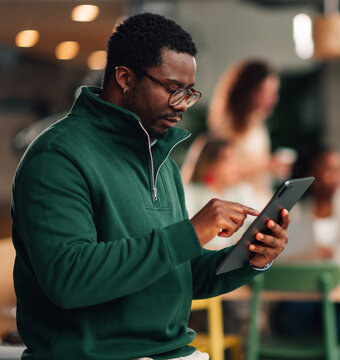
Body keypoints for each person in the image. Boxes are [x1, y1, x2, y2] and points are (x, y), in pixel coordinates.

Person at [10, 13, 290, 360]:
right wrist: (190, 233)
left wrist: (251, 257)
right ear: (125, 78)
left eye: (189, 92)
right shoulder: (57, 157)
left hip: (171, 352)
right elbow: (70, 279)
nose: (182, 107)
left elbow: (177, 275)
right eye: (173, 89)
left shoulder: (163, 164)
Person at [271, 143, 340, 342]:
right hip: (301, 288)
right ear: (311, 174)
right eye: (329, 170)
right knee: (288, 315)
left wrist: (332, 251)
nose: (338, 177)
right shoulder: (295, 208)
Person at [207, 59, 282, 208]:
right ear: (251, 92)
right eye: (269, 93)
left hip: (258, 201)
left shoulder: (257, 122)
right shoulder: (227, 128)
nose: (274, 99)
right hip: (240, 204)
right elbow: (220, 174)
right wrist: (268, 165)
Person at [182, 135, 258, 249]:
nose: (237, 166)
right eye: (230, 160)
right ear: (211, 164)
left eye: (238, 160)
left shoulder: (243, 191)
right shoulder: (191, 193)